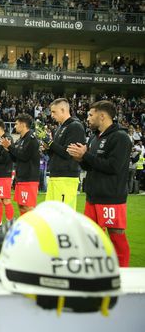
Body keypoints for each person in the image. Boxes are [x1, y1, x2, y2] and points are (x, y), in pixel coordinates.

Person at [67, 100, 133, 267]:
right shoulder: (94, 138)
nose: (87, 118)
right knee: (90, 236)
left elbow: (113, 167)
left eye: (91, 115)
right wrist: (81, 159)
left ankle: (123, 273)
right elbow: (91, 165)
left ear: (102, 116)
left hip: (111, 197)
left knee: (116, 236)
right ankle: (94, 270)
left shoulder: (121, 137)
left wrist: (86, 155)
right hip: (93, 197)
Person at [42, 98, 86, 210]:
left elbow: (68, 153)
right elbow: (57, 151)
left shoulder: (75, 126)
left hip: (66, 178)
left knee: (63, 215)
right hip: (55, 176)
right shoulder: (61, 127)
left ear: (63, 110)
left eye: (53, 112)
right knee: (52, 215)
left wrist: (49, 142)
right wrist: (47, 148)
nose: (51, 115)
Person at [1, 113, 40, 216]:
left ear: (23, 125)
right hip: (21, 177)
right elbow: (15, 158)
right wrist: (8, 149)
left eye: (16, 124)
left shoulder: (31, 139)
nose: (15, 126)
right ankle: (25, 228)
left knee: (29, 206)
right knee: (21, 205)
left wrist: (10, 147)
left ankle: (34, 230)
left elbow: (24, 156)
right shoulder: (20, 140)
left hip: (29, 178)